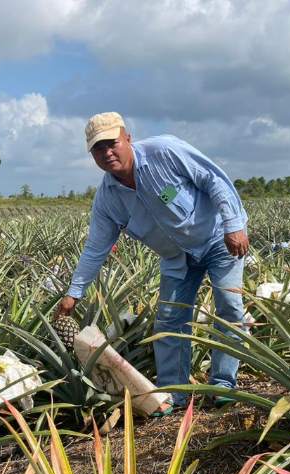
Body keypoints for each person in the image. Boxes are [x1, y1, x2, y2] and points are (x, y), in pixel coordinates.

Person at [55, 112, 249, 412]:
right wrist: (74, 292)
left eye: (112, 143)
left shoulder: (165, 152)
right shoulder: (107, 199)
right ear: (92, 154)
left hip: (216, 239)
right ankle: (175, 393)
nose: (107, 152)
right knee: (169, 321)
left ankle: (223, 384)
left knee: (229, 305)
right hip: (176, 258)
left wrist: (233, 224)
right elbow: (96, 247)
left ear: (127, 138)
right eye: (98, 148)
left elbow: (213, 179)